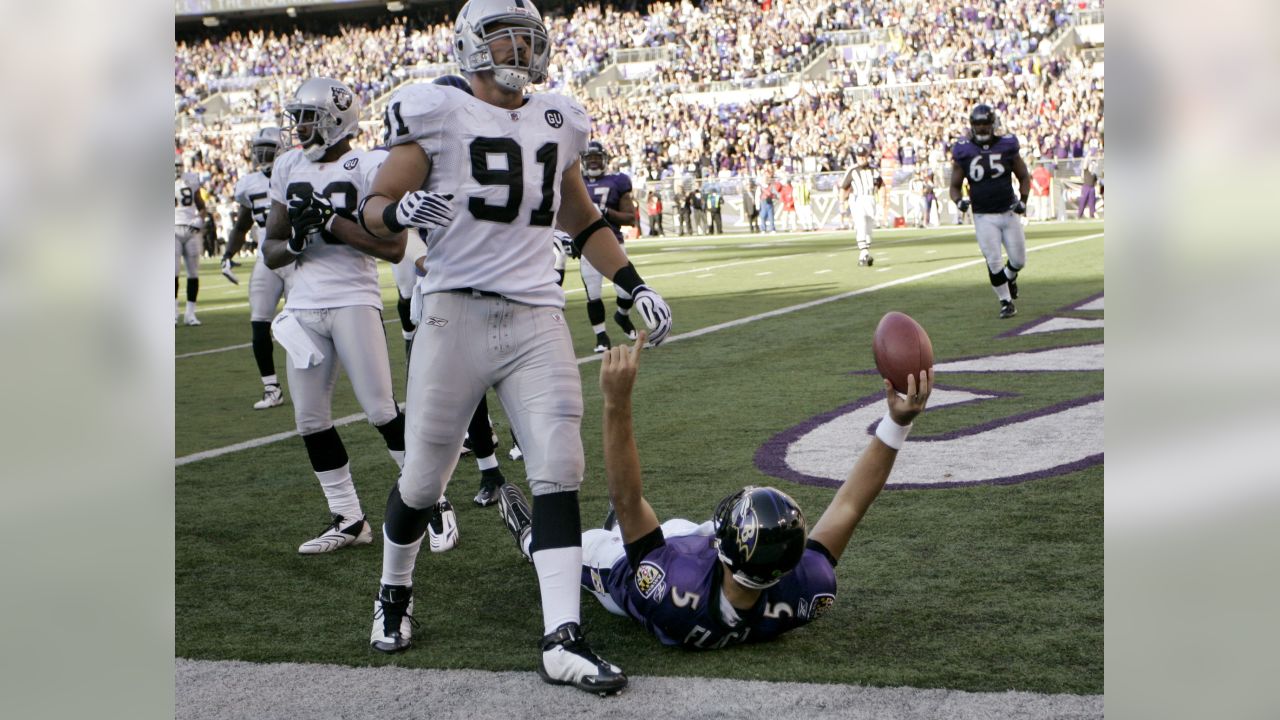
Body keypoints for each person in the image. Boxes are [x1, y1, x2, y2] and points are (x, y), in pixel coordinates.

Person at [355, 0, 673, 695]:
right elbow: (374, 203)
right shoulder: (434, 111)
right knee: (423, 482)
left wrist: (632, 283)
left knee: (560, 465)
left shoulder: (557, 116)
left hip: (535, 315)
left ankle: (562, 637)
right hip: (453, 316)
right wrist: (398, 212)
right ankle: (393, 590)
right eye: (506, 36)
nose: (519, 49)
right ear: (471, 41)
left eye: (529, 38)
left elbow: (581, 215)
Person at [496, 333, 932, 649]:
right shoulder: (806, 589)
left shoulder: (668, 586)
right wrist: (899, 422)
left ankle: (526, 534)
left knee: (572, 551)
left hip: (634, 578)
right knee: (665, 526)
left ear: (723, 547)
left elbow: (627, 498)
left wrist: (616, 402)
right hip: (706, 564)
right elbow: (851, 504)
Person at [261, 77, 457, 555]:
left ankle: (435, 502)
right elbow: (271, 251)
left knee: (380, 409)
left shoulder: (370, 164)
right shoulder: (287, 165)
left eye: (309, 118)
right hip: (303, 307)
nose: (300, 129)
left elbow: (392, 247)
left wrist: (332, 223)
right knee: (309, 419)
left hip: (352, 298)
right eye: (298, 119)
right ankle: (349, 518)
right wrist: (299, 242)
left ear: (336, 119)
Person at [220, 127, 292, 410]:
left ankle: (312, 379)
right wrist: (228, 253)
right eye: (258, 148)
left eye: (268, 148)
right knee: (259, 320)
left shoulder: (295, 172)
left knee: (307, 320)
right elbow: (242, 224)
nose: (262, 154)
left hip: (295, 256)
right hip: (266, 257)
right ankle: (271, 387)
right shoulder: (249, 183)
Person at [949, 103, 1031, 319]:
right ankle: (1006, 302)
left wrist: (1023, 200)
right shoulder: (964, 150)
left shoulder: (1007, 145)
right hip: (983, 215)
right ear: (972, 126)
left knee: (1019, 260)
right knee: (993, 260)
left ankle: (1010, 276)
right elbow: (954, 185)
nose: (983, 128)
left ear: (993, 124)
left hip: (1008, 211)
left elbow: (1023, 175)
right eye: (978, 124)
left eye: (986, 124)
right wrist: (959, 202)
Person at [579, 140, 640, 352]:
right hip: (587, 244)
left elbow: (630, 218)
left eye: (597, 158)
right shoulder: (574, 182)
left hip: (614, 241)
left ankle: (622, 316)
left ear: (605, 160)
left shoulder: (618, 181)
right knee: (593, 293)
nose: (594, 162)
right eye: (590, 158)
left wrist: (606, 213)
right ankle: (601, 336)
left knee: (625, 292)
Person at [175, 156, 212, 326]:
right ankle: (173, 312)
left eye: (178, 165)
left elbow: (202, 206)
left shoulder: (191, 179)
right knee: (172, 273)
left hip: (190, 228)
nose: (176, 169)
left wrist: (200, 219)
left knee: (193, 273)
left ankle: (190, 313)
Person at [840, 145, 878, 267]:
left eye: (863, 156)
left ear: (867, 156)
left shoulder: (874, 171)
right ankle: (865, 252)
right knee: (860, 224)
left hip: (870, 198)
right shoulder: (852, 170)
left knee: (869, 228)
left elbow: (881, 185)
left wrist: (883, 200)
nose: (861, 158)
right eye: (859, 156)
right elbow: (843, 187)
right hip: (858, 199)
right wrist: (841, 202)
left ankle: (863, 256)